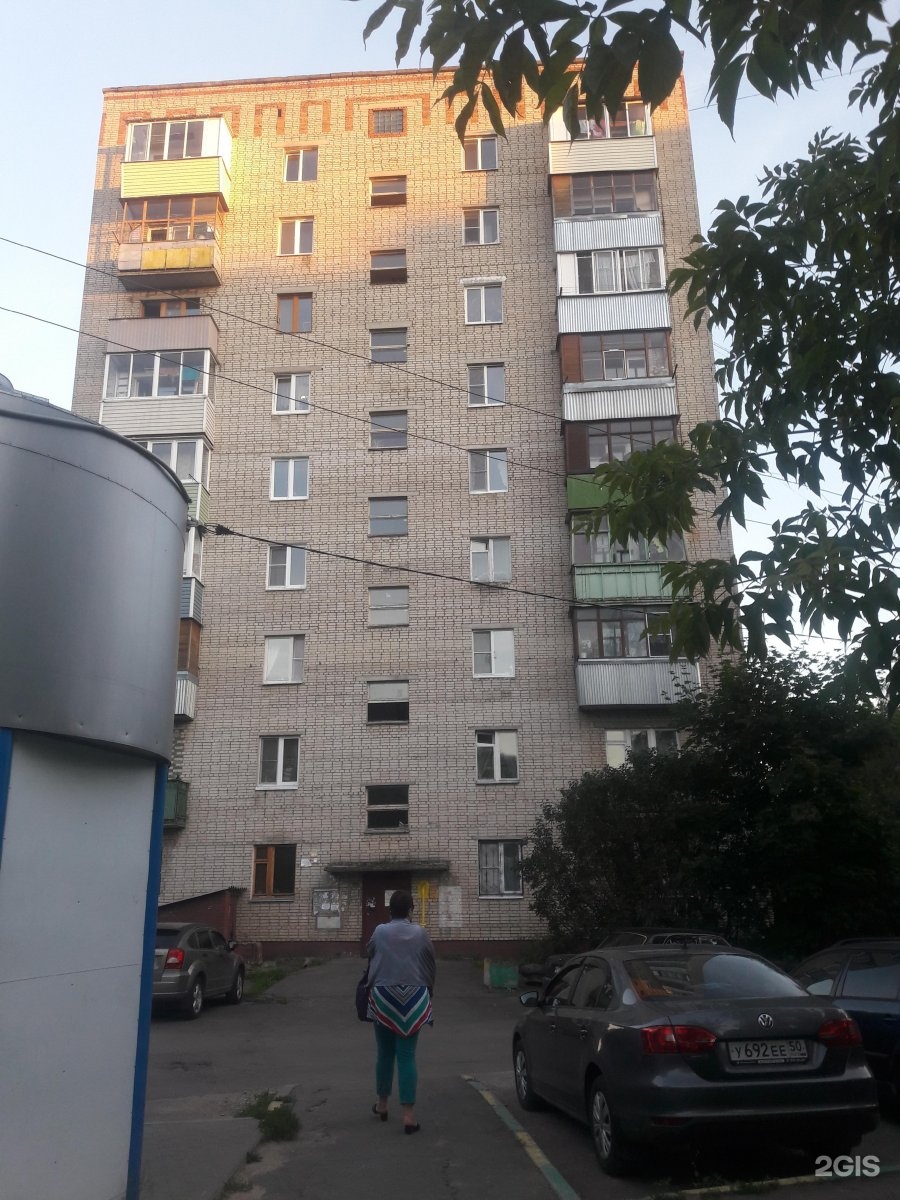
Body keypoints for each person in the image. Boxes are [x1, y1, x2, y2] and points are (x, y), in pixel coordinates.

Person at [366, 889, 436, 1134]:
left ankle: (382, 1104)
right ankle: (408, 1116)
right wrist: (429, 990)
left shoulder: (380, 931)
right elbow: (430, 962)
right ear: (410, 910)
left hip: (383, 997)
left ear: (389, 911)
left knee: (384, 1053)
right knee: (407, 1055)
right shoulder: (421, 933)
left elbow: (370, 951)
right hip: (414, 998)